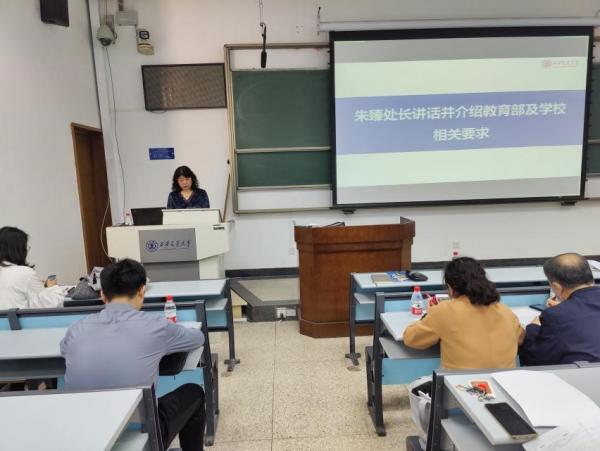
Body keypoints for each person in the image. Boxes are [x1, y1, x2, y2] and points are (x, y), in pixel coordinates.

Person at [60, 259, 206, 451]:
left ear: (102, 294)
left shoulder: (76, 329)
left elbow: (64, 350)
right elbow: (198, 338)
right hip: (143, 435)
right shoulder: (156, 327)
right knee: (194, 393)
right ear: (141, 290)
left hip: (84, 434)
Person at [403, 257, 522, 369]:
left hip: (460, 382)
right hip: (503, 382)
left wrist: (429, 314)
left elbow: (410, 338)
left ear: (451, 288)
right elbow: (521, 338)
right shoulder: (506, 311)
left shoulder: (445, 311)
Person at [519, 253, 600, 366]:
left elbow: (534, 359)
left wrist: (533, 327)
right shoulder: (560, 313)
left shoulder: (556, 315)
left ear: (557, 287)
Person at [0, 226, 68, 309]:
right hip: (18, 317)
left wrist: (37, 285)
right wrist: (52, 287)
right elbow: (51, 304)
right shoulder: (24, 273)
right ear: (18, 249)